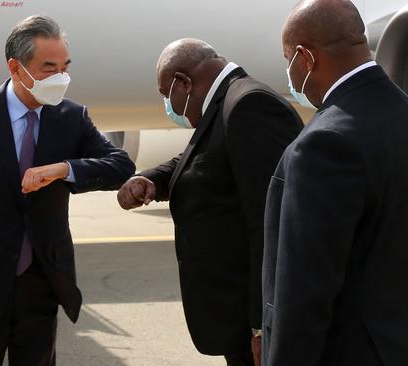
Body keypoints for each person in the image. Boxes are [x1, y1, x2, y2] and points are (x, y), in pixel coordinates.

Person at [0, 15, 135, 366]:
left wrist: (64, 170)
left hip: (40, 283)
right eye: (48, 67)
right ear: (15, 67)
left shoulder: (71, 116)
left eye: (65, 67)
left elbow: (120, 165)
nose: (60, 77)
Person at [116, 39, 303, 366]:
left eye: (165, 93)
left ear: (184, 83)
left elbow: (270, 223)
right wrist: (152, 179)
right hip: (235, 318)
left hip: (251, 321)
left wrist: (263, 327)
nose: (167, 104)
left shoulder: (249, 105)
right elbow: (202, 157)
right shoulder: (226, 101)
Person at [262, 1, 408, 365]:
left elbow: (305, 292)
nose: (290, 74)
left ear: (305, 58)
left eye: (288, 60)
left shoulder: (323, 143)